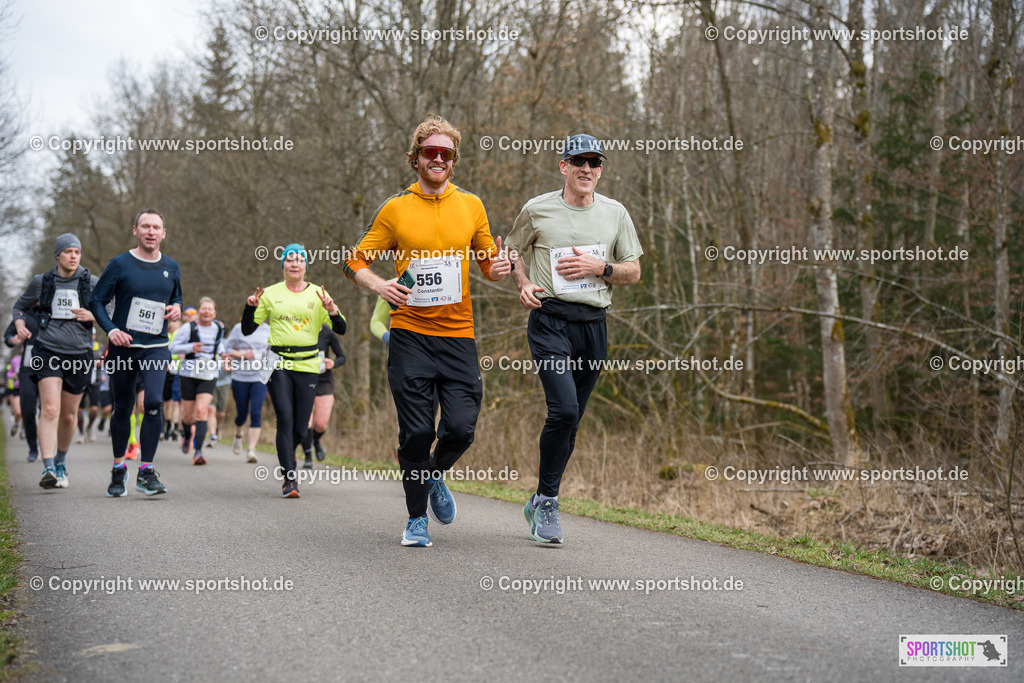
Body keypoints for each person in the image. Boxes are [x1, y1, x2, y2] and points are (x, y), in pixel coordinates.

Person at [344, 113, 511, 547]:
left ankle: (433, 476)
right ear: (416, 159)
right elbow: (354, 261)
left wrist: (502, 267)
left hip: (458, 336)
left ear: (453, 161)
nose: (437, 159)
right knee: (416, 432)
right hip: (410, 334)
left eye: (446, 154)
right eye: (429, 152)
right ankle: (416, 519)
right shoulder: (395, 208)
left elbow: (489, 265)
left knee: (460, 429)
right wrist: (380, 284)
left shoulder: (471, 205)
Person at [507, 133, 643, 544]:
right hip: (549, 320)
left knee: (574, 420)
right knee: (563, 410)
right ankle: (549, 499)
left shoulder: (615, 213)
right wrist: (523, 282)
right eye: (578, 161)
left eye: (594, 163)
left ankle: (538, 499)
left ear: (600, 169)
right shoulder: (537, 209)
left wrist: (600, 267)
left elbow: (633, 271)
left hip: (593, 324)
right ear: (563, 166)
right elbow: (512, 250)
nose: (587, 169)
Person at [90, 208, 182, 497]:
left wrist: (177, 308)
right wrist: (111, 330)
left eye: (156, 227)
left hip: (155, 347)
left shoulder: (172, 266)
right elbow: (96, 301)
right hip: (123, 347)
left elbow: (176, 297)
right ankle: (118, 469)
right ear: (135, 231)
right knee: (122, 407)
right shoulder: (120, 264)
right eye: (146, 226)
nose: (151, 232)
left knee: (153, 403)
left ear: (163, 233)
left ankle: (146, 471)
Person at [242, 245, 346, 498]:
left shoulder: (318, 293)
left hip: (308, 365)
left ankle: (289, 457)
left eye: (300, 260)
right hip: (278, 363)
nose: (294, 264)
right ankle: (290, 479)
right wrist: (250, 307)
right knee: (284, 419)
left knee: (301, 428)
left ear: (306, 266)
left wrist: (331, 310)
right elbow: (247, 330)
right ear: (283, 266)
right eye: (289, 260)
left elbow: (341, 329)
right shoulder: (269, 294)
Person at [12, 233, 100, 489]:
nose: (73, 256)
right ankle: (48, 466)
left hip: (80, 354)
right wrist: (19, 326)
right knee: (51, 409)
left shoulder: (91, 282)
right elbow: (19, 307)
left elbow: (112, 309)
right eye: (68, 251)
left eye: (77, 252)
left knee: (70, 416)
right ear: (58, 254)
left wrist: (92, 314)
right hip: (48, 351)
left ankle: (61, 460)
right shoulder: (42, 282)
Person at [169, 297, 224, 465]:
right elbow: (172, 347)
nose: (207, 312)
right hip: (188, 374)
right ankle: (186, 435)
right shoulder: (188, 328)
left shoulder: (218, 329)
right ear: (199, 312)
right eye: (204, 309)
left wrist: (225, 357)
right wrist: (190, 348)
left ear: (214, 313)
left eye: (210, 309)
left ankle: (198, 452)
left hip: (208, 374)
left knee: (202, 411)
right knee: (188, 417)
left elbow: (219, 348)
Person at [223, 319, 270, 463]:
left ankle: (251, 450)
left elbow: (273, 352)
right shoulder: (239, 328)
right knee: (242, 414)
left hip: (260, 378)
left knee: (256, 412)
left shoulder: (269, 329)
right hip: (240, 377)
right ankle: (238, 435)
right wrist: (241, 356)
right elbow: (226, 348)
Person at [299, 323, 344, 467]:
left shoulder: (328, 333)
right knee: (306, 422)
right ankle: (308, 456)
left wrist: (333, 363)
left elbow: (342, 357)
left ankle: (316, 441)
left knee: (321, 423)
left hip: (324, 380)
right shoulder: (300, 328)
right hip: (305, 378)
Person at [4, 312, 40, 461]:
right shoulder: (24, 314)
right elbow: (8, 335)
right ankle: (33, 448)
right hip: (28, 369)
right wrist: (11, 339)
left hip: (52, 367)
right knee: (27, 411)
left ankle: (49, 451)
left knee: (49, 410)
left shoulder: (54, 311)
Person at [161, 319, 183, 441]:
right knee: (167, 402)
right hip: (166, 371)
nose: (175, 325)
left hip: (179, 371)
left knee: (176, 402)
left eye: (177, 323)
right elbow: (166, 352)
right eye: (173, 323)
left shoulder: (182, 335)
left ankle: (175, 427)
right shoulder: (165, 336)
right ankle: (167, 424)